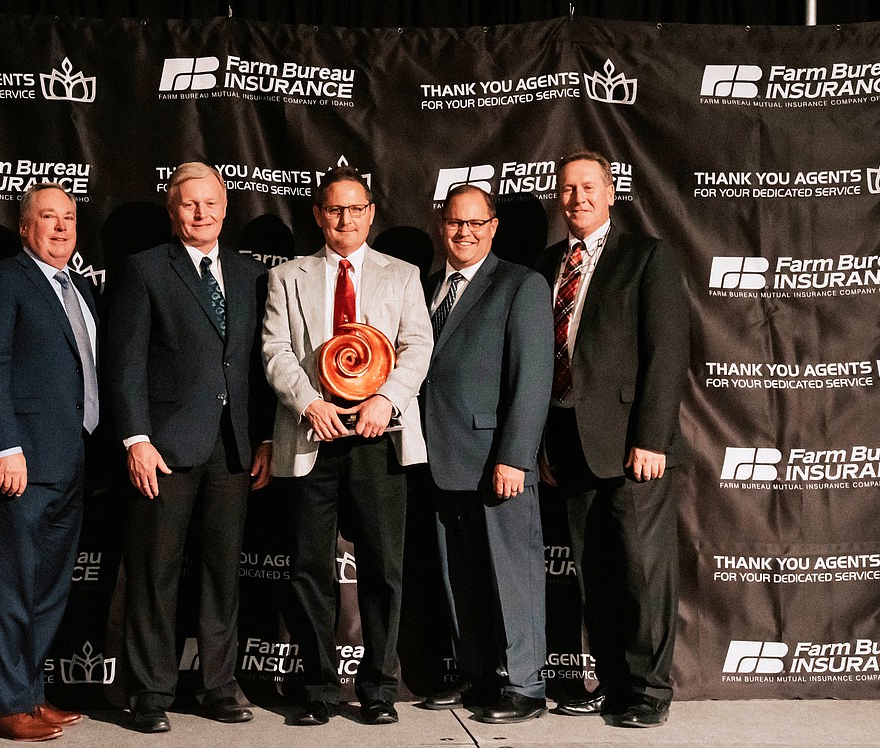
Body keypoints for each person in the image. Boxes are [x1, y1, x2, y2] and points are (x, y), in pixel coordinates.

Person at [261, 166, 432, 726]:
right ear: (318, 215)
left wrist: (388, 400)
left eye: (356, 209)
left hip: (378, 438)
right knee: (310, 568)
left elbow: (417, 348)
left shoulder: (403, 276)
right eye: (335, 209)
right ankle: (319, 689)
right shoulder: (288, 276)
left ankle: (379, 689)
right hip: (313, 436)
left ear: (371, 213)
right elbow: (274, 350)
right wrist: (311, 403)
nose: (346, 219)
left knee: (383, 567)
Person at [107, 162, 273, 734]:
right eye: (188, 204)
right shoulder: (144, 269)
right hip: (165, 450)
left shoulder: (252, 274)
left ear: (226, 209)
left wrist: (267, 437)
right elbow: (123, 363)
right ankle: (150, 692)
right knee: (155, 572)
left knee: (223, 573)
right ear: (172, 210)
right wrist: (136, 439)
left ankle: (219, 685)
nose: (200, 213)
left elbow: (257, 363)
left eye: (210, 203)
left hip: (234, 449)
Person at [538, 150, 689, 728]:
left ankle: (650, 691)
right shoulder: (548, 262)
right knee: (594, 572)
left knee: (643, 572)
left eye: (588, 186)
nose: (577, 197)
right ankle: (615, 683)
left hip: (633, 449)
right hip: (569, 443)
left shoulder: (646, 256)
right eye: (567, 188)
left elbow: (667, 352)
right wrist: (544, 446)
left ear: (610, 191)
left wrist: (651, 438)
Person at [417, 185, 553, 723]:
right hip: (438, 457)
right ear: (441, 226)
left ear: (493, 227)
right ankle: (477, 675)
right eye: (454, 222)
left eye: (476, 222)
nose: (464, 232)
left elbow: (532, 379)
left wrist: (515, 456)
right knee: (459, 575)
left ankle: (526, 685)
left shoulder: (521, 285)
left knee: (512, 574)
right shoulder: (428, 288)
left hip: (496, 459)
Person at [0, 182, 98, 742]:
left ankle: (31, 694)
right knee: (15, 587)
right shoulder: (4, 281)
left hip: (73, 462)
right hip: (25, 462)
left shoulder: (83, 290)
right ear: (26, 227)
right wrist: (6, 448)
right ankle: (8, 703)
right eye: (49, 217)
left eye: (68, 217)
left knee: (50, 587)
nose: (62, 227)